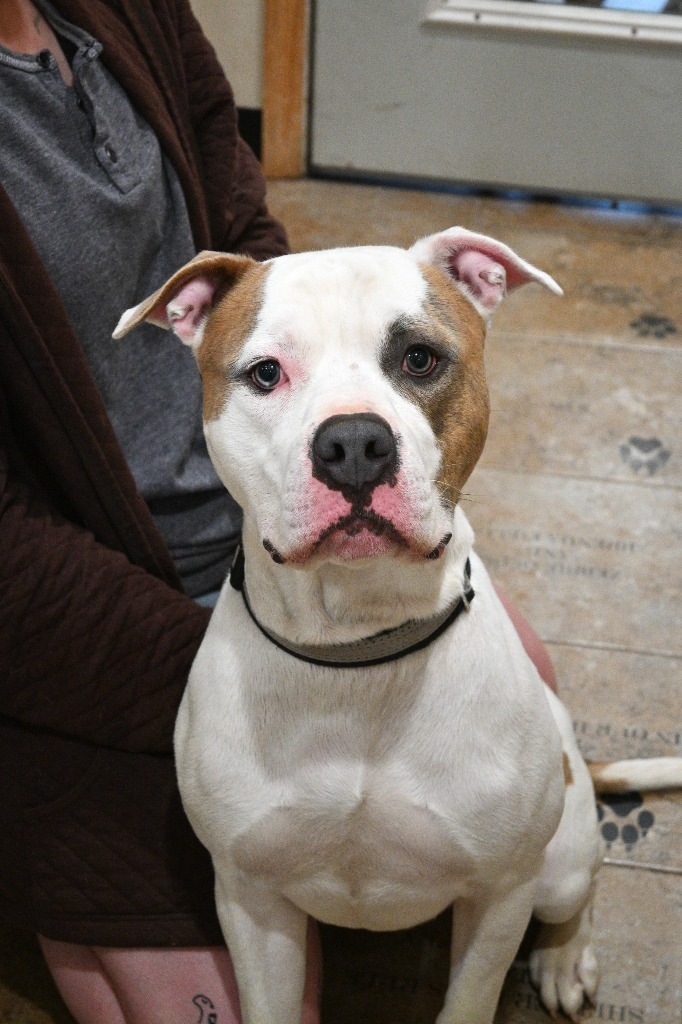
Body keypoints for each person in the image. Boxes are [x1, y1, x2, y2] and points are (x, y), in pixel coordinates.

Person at [0, 1, 555, 1021]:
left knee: (527, 729)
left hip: (250, 522)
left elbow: (254, 243)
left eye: (421, 364)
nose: (355, 435)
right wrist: (252, 663)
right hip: (65, 628)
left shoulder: (128, 10)